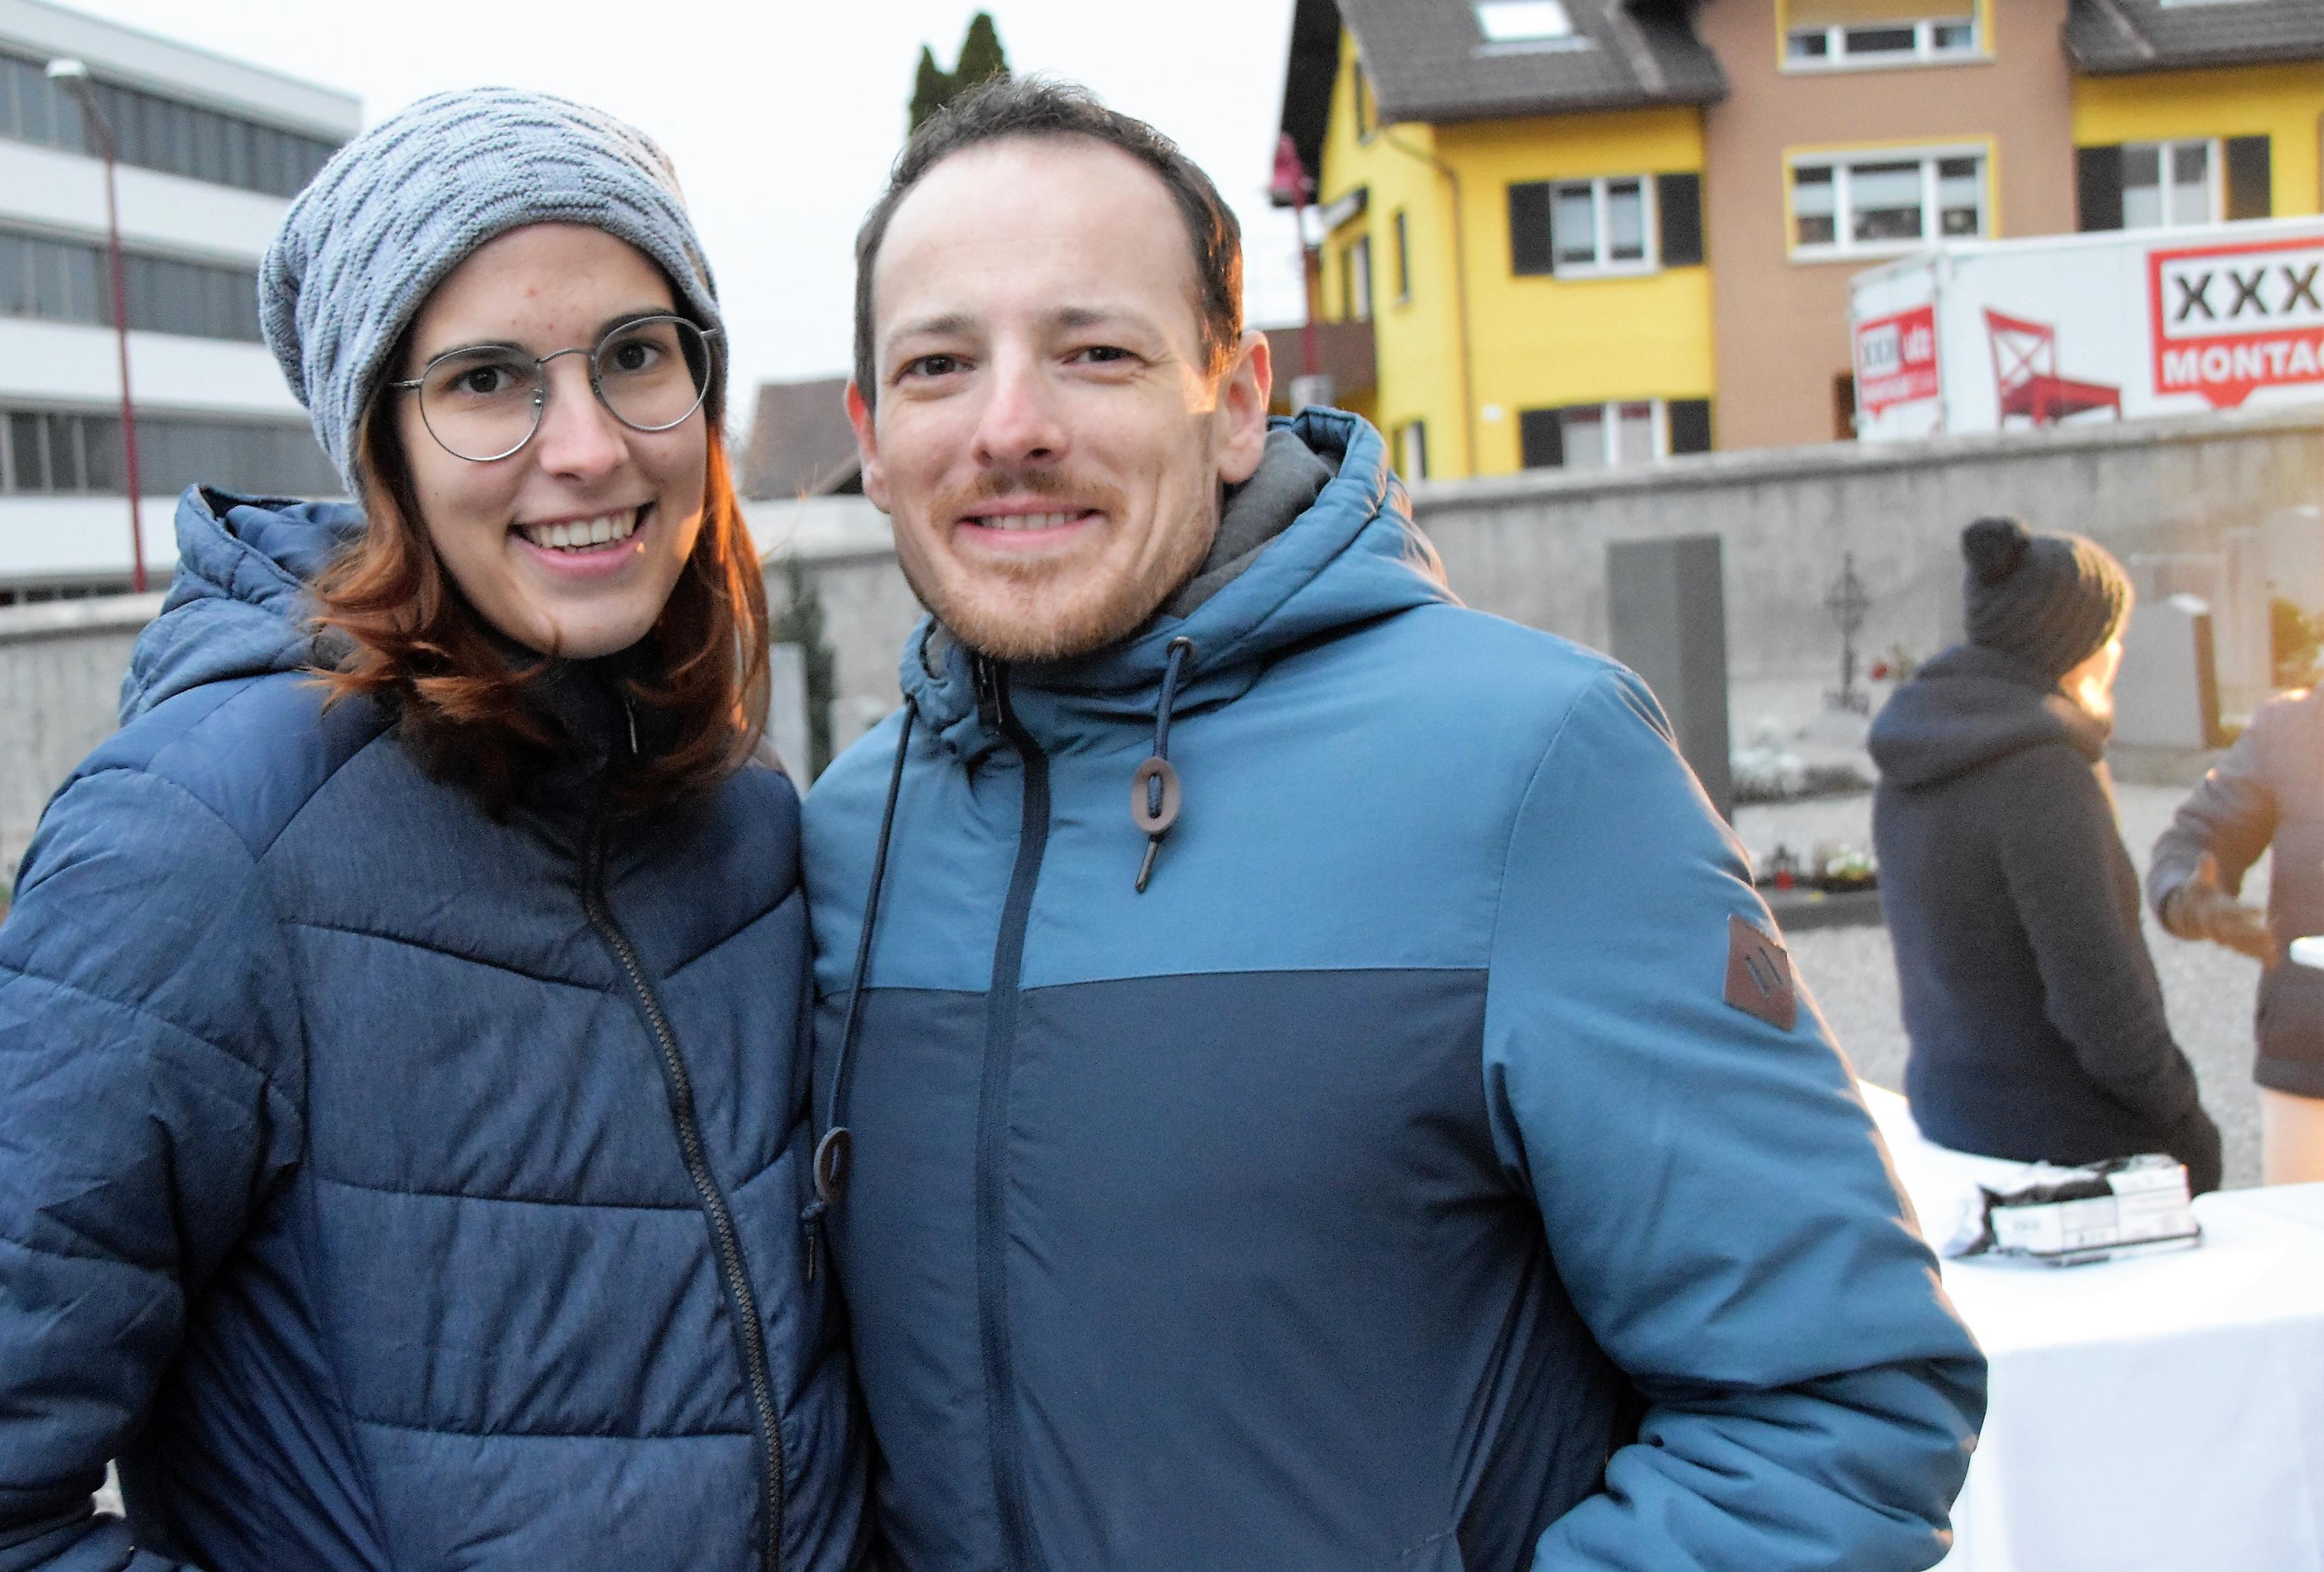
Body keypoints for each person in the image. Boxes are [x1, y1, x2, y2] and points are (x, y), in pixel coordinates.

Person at [800, 79, 1982, 1572]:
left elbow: (1833, 1410)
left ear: (1235, 400)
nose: (1010, 427)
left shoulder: (1531, 769)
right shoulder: (849, 836)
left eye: (1096, 352)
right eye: (938, 366)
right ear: (872, 434)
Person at [0, 89, 862, 1571]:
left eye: (635, 354)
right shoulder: (200, 842)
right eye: (486, 380)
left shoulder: (735, 807)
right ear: (379, 447)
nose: (587, 446)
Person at [1871, 516, 2222, 1190]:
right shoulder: (2043, 774)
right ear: (2075, 647)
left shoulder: (1915, 755)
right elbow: (2098, 996)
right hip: (2070, 1142)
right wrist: (2183, 1118)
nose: (2118, 654)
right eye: (2112, 638)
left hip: (1954, 1117)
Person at [2149, 686, 2324, 1184]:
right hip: (2311, 1050)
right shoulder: (2291, 729)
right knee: (2300, 1228)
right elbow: (2196, 838)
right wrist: (2188, 898)